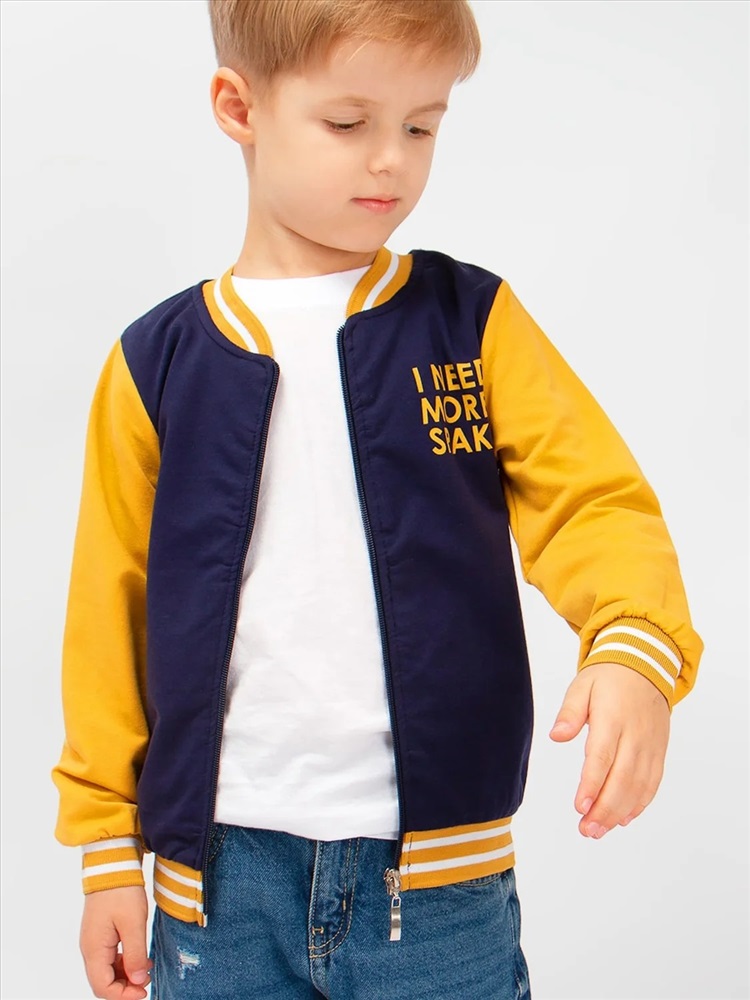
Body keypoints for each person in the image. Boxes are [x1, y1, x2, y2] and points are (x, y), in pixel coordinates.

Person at [50, 1, 704, 998]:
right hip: (214, 888)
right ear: (239, 107)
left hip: (438, 888)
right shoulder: (156, 361)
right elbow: (108, 615)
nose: (391, 160)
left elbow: (593, 501)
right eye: (349, 123)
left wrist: (634, 645)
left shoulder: (472, 322)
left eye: (422, 125)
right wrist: (106, 848)